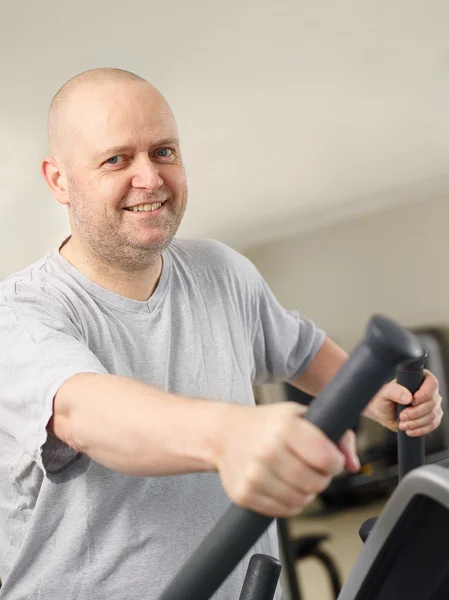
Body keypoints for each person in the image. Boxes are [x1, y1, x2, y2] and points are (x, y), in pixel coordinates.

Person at [0, 68, 442, 600]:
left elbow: (298, 350)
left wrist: (372, 395)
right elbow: (83, 413)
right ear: (59, 180)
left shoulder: (219, 270)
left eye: (163, 152)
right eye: (116, 159)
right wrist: (231, 436)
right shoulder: (20, 314)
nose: (150, 178)